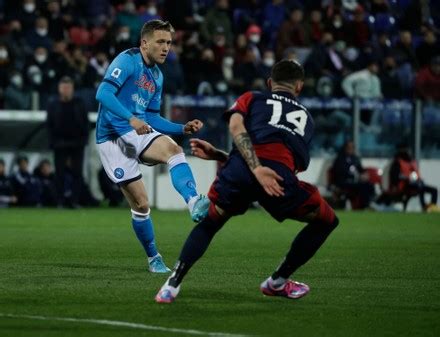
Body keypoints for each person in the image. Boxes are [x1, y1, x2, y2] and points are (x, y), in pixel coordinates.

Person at [155, 60, 339, 303]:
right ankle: (278, 281)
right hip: (276, 179)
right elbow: (283, 161)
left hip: (241, 171)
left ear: (270, 83)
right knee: (327, 220)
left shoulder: (253, 98)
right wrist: (257, 169)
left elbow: (236, 125)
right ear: (299, 87)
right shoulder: (306, 118)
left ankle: (171, 285)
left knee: (210, 223)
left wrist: (231, 160)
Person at [95, 20, 210, 273]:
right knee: (141, 205)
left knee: (174, 150)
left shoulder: (157, 76)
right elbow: (103, 94)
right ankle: (153, 258)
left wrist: (181, 128)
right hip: (112, 138)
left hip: (139, 131)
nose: (166, 47)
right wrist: (131, 118)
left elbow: (152, 117)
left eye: (169, 42)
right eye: (160, 42)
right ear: (144, 43)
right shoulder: (127, 60)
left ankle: (193, 201)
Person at [46, 76, 89, 208]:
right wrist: (52, 142)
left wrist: (84, 141)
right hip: (59, 144)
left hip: (77, 144)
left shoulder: (80, 103)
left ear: (72, 89)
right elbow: (49, 125)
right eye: (63, 87)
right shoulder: (53, 104)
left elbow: (85, 123)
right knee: (59, 174)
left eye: (68, 87)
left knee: (77, 173)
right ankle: (59, 201)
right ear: (59, 89)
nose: (66, 90)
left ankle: (74, 201)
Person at [378, 144, 439, 212]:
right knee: (420, 188)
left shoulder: (411, 161)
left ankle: (432, 206)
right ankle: (424, 207)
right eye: (406, 150)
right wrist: (402, 179)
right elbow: (395, 176)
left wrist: (419, 180)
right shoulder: (397, 162)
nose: (408, 151)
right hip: (404, 185)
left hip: (415, 183)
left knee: (433, 190)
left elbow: (416, 174)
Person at [330, 140, 376, 209]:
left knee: (369, 185)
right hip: (343, 182)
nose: (350, 149)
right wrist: (354, 175)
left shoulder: (355, 158)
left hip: (354, 182)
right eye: (348, 147)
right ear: (345, 148)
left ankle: (369, 203)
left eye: (352, 147)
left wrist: (364, 174)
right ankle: (363, 206)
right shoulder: (339, 159)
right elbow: (338, 172)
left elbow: (360, 169)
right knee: (361, 186)